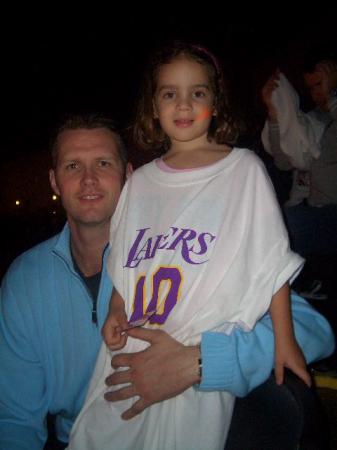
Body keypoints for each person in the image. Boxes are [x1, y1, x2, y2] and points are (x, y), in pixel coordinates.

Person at [0, 113, 334, 450]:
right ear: (55, 182)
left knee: (283, 408)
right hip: (82, 437)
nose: (88, 179)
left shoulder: (186, 248)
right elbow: (13, 419)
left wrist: (199, 362)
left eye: (103, 163)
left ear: (129, 177)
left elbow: (311, 329)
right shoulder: (25, 281)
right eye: (72, 166)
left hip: (182, 431)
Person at [67, 42, 314, 450]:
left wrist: (285, 341)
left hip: (196, 344)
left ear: (215, 103)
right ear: (154, 107)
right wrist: (115, 309)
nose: (183, 105)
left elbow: (269, 262)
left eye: (197, 92)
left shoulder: (242, 170)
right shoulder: (141, 183)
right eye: (169, 94)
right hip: (136, 340)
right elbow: (127, 264)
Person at [261, 59, 337, 262]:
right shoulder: (311, 121)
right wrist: (274, 115)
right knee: (264, 219)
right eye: (311, 88)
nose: (317, 93)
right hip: (306, 206)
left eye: (320, 84)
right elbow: (284, 163)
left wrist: (333, 97)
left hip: (330, 210)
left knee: (282, 226)